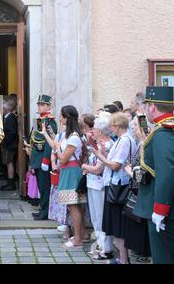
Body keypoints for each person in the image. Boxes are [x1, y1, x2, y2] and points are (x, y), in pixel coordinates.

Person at [134, 86, 174, 264]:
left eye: (147, 105)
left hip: (164, 209)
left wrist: (160, 209)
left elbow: (166, 173)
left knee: (163, 257)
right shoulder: (163, 130)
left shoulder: (162, 133)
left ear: (151, 107)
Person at [93, 112, 137, 264]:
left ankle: (124, 260)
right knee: (116, 226)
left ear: (117, 126)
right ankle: (123, 259)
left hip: (118, 187)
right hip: (116, 184)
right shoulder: (122, 139)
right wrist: (104, 153)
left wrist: (99, 156)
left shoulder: (124, 140)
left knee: (117, 226)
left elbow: (115, 165)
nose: (110, 129)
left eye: (112, 125)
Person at [42, 105, 87, 248]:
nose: (60, 118)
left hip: (71, 172)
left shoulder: (74, 137)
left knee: (74, 206)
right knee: (74, 206)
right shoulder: (71, 135)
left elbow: (63, 159)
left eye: (61, 116)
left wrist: (56, 150)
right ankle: (79, 236)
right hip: (69, 171)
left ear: (67, 118)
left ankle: (78, 239)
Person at [81, 112, 114, 260]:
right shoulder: (99, 144)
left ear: (99, 131)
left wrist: (85, 167)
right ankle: (100, 245)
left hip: (100, 184)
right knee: (95, 217)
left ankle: (106, 248)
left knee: (101, 217)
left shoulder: (107, 145)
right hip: (93, 183)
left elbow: (99, 168)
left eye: (94, 128)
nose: (92, 131)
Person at [123, 117, 151, 262]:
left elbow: (148, 175)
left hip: (141, 191)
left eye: (134, 125)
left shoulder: (145, 145)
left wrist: (130, 173)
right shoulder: (140, 144)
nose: (132, 128)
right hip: (135, 190)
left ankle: (145, 254)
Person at [28, 94, 57, 221]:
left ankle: (45, 212)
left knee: (45, 187)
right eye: (38, 104)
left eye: (42, 105)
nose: (39, 106)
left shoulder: (50, 122)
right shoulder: (39, 119)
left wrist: (46, 160)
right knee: (41, 186)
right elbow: (34, 140)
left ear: (48, 106)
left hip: (43, 159)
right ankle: (43, 209)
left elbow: (50, 142)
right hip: (37, 157)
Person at [0, 98, 18, 191]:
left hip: (10, 145)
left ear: (6, 109)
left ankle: (11, 183)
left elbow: (11, 133)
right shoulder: (7, 117)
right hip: (8, 144)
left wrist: (5, 142)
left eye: (2, 108)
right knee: (8, 163)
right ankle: (9, 181)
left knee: (9, 163)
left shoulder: (10, 118)